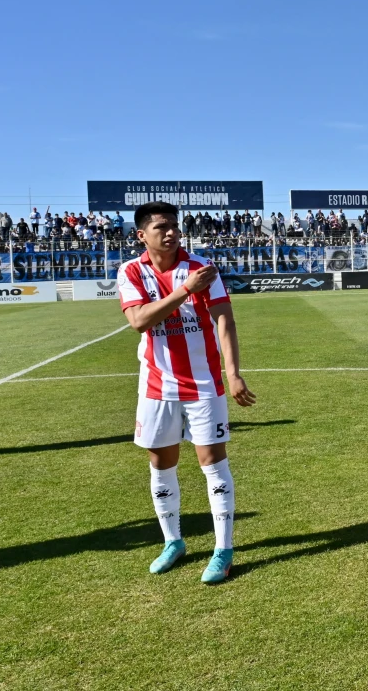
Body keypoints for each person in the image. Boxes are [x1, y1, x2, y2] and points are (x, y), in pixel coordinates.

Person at [117, 201, 257, 584]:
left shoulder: (201, 268)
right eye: (161, 226)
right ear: (142, 234)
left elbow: (224, 319)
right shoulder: (130, 271)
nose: (171, 232)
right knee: (161, 464)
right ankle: (173, 542)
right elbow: (140, 321)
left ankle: (223, 550)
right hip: (156, 385)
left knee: (213, 463)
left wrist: (234, 374)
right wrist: (184, 292)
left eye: (175, 225)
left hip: (205, 383)